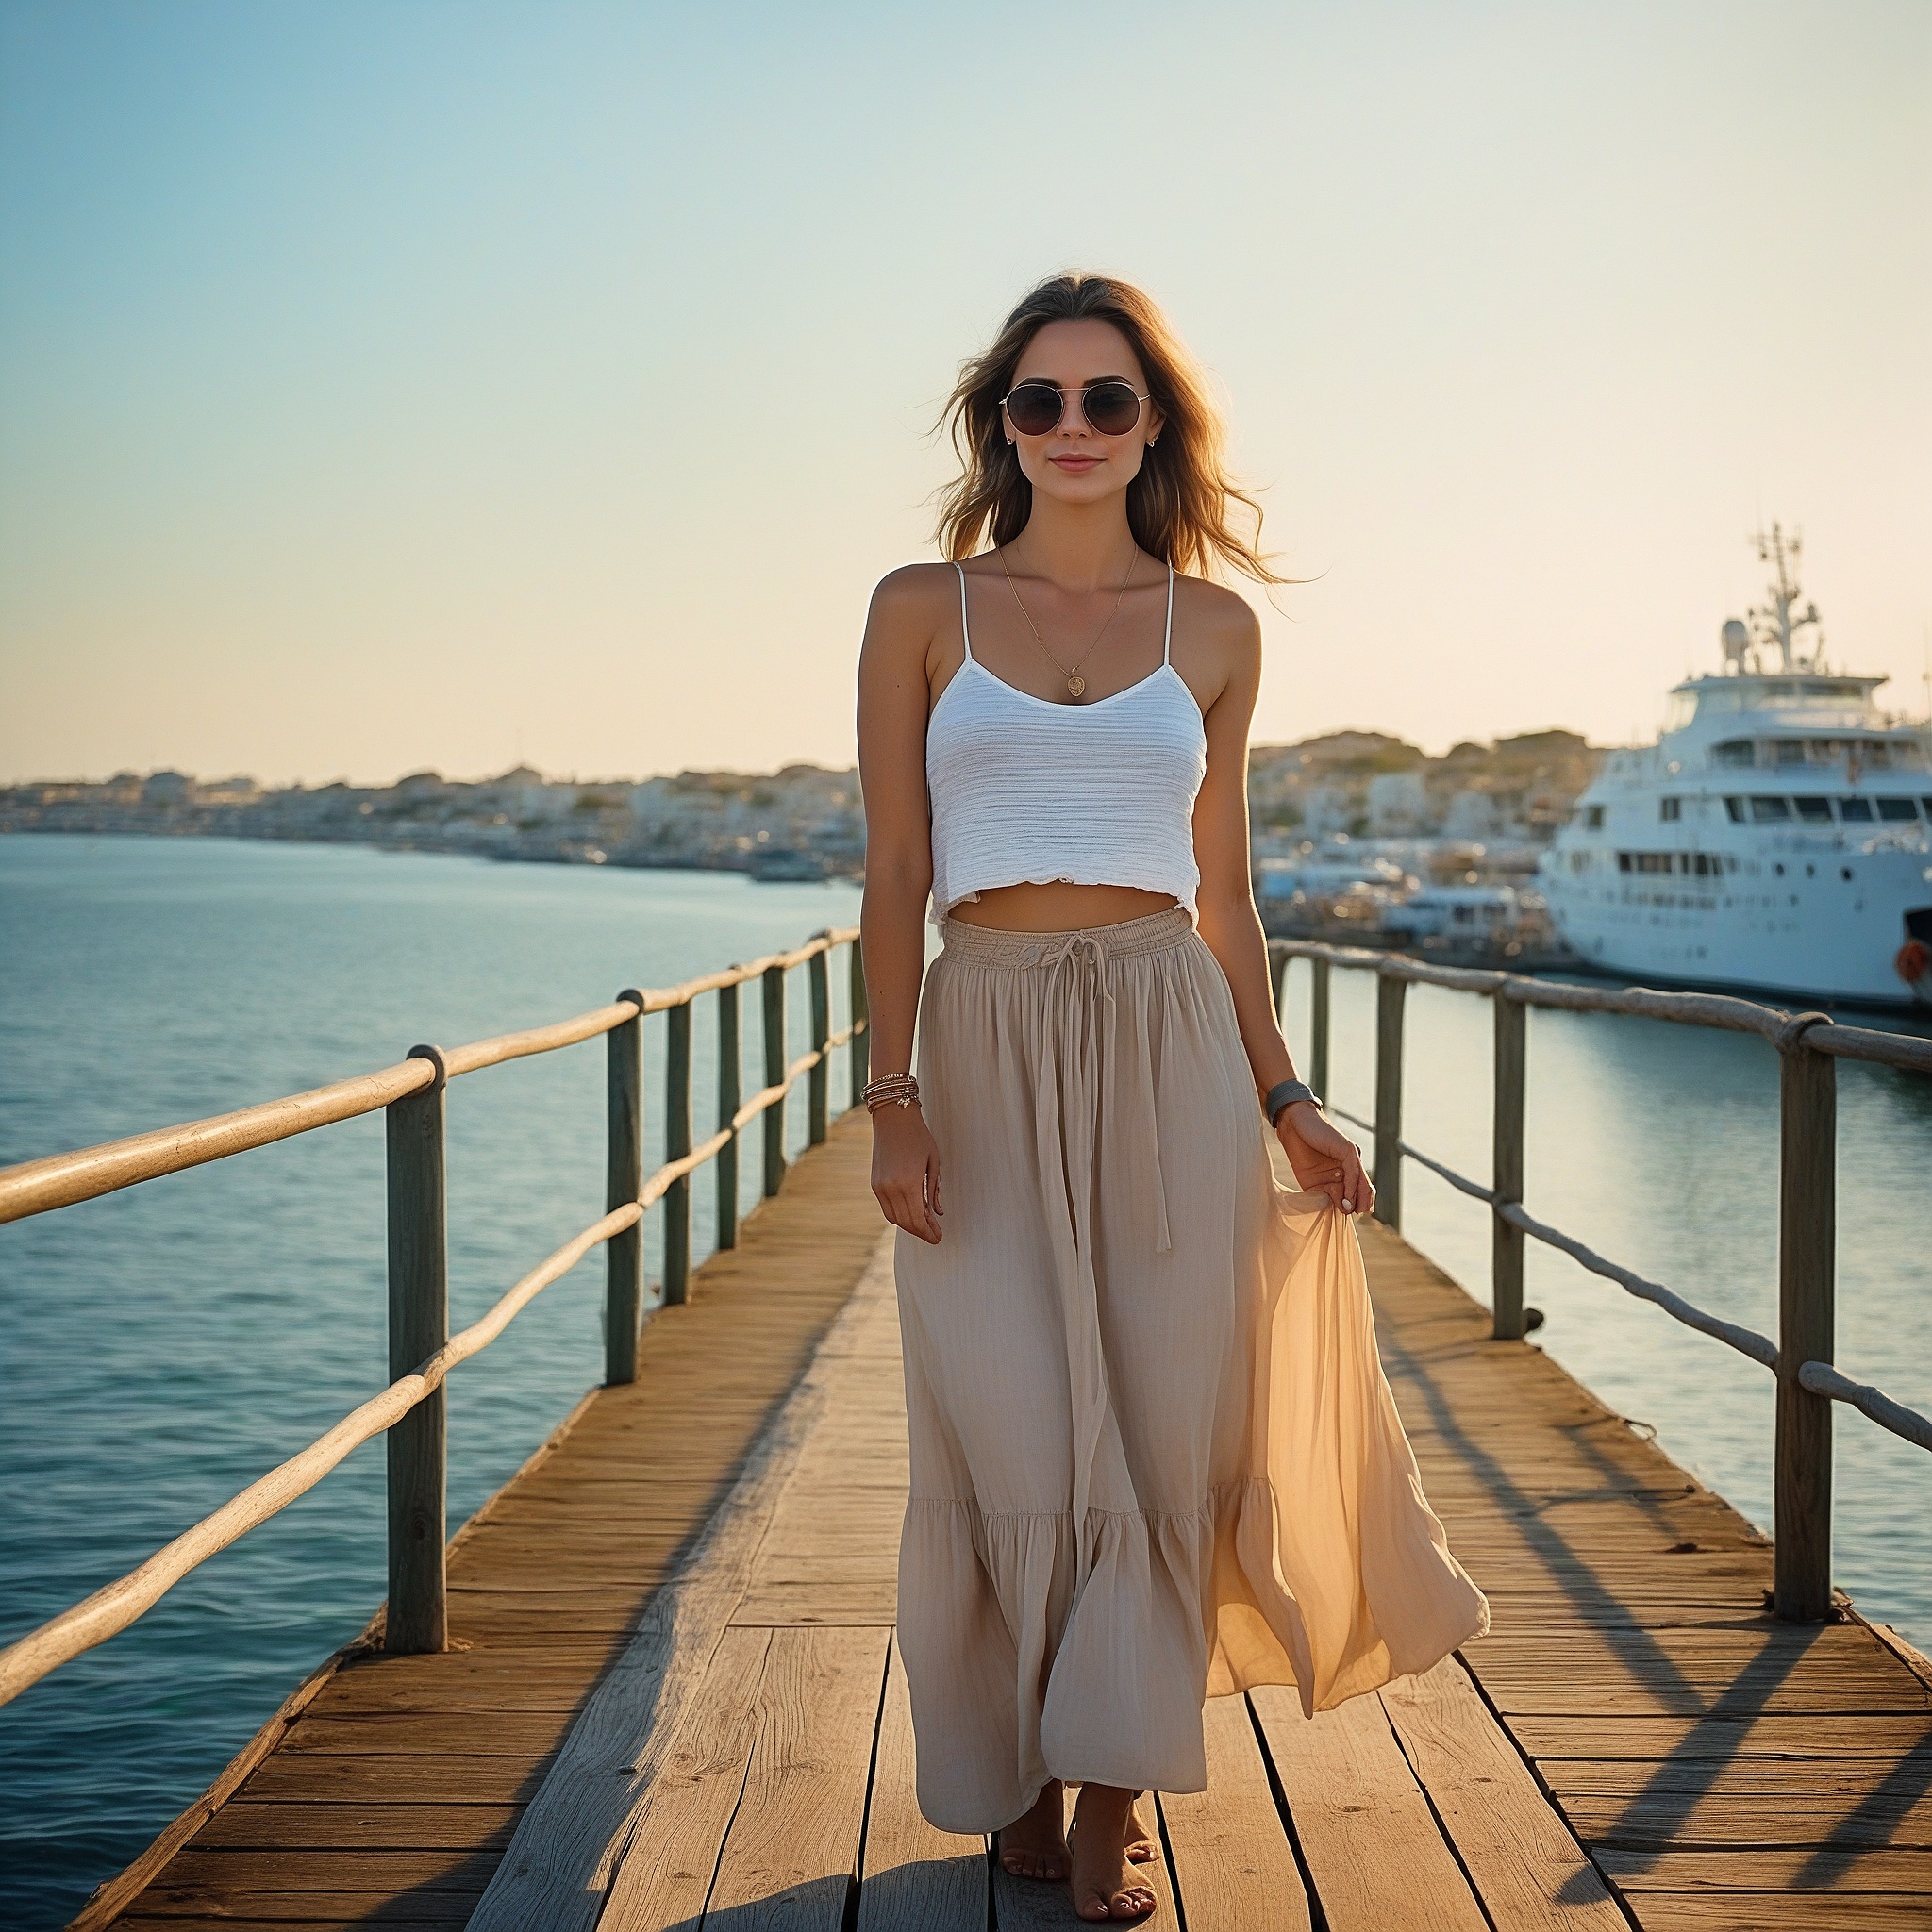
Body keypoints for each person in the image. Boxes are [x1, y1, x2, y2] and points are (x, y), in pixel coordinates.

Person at [855, 272, 1487, 1924]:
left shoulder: (1215, 631)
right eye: (1039, 401)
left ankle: (1104, 1814)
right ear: (1002, 425)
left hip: (1168, 1042)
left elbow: (1227, 898)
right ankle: (1018, 1769)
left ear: (1154, 427)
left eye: (1106, 400)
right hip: (980, 1032)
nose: (1071, 428)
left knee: (1152, 1430)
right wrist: (890, 1096)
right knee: (1004, 1420)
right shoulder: (922, 606)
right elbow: (896, 870)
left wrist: (1285, 1097)